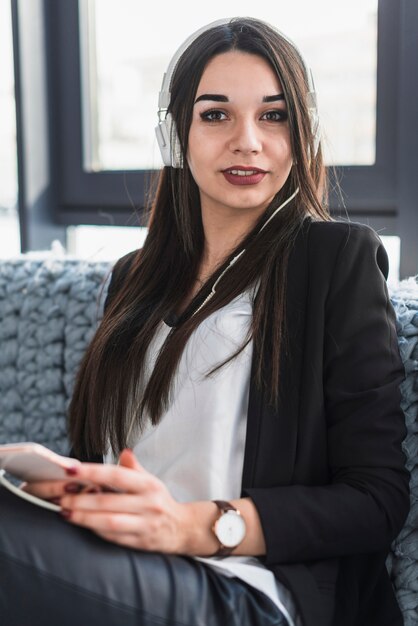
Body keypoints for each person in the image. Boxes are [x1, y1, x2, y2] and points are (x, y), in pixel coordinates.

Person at [0, 16, 409, 626]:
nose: (248, 140)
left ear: (301, 136)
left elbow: (376, 500)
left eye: (275, 116)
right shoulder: (131, 279)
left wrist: (193, 526)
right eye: (215, 115)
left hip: (248, 590)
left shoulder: (335, 260)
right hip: (118, 566)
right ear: (176, 137)